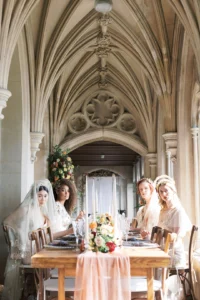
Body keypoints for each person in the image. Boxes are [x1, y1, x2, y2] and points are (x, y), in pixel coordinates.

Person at [2, 179, 56, 300]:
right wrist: (20, 242)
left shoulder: (43, 213)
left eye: (45, 196)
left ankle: (40, 292)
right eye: (40, 196)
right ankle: (38, 292)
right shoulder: (27, 209)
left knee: (54, 260)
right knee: (49, 262)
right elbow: (7, 222)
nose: (43, 199)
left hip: (40, 249)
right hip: (28, 252)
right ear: (34, 195)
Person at [155, 175, 192, 267]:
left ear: (173, 191)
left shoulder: (178, 211)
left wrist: (162, 250)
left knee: (153, 262)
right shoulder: (163, 210)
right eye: (161, 192)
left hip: (174, 252)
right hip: (163, 248)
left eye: (166, 191)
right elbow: (159, 231)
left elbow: (176, 237)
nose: (164, 194)